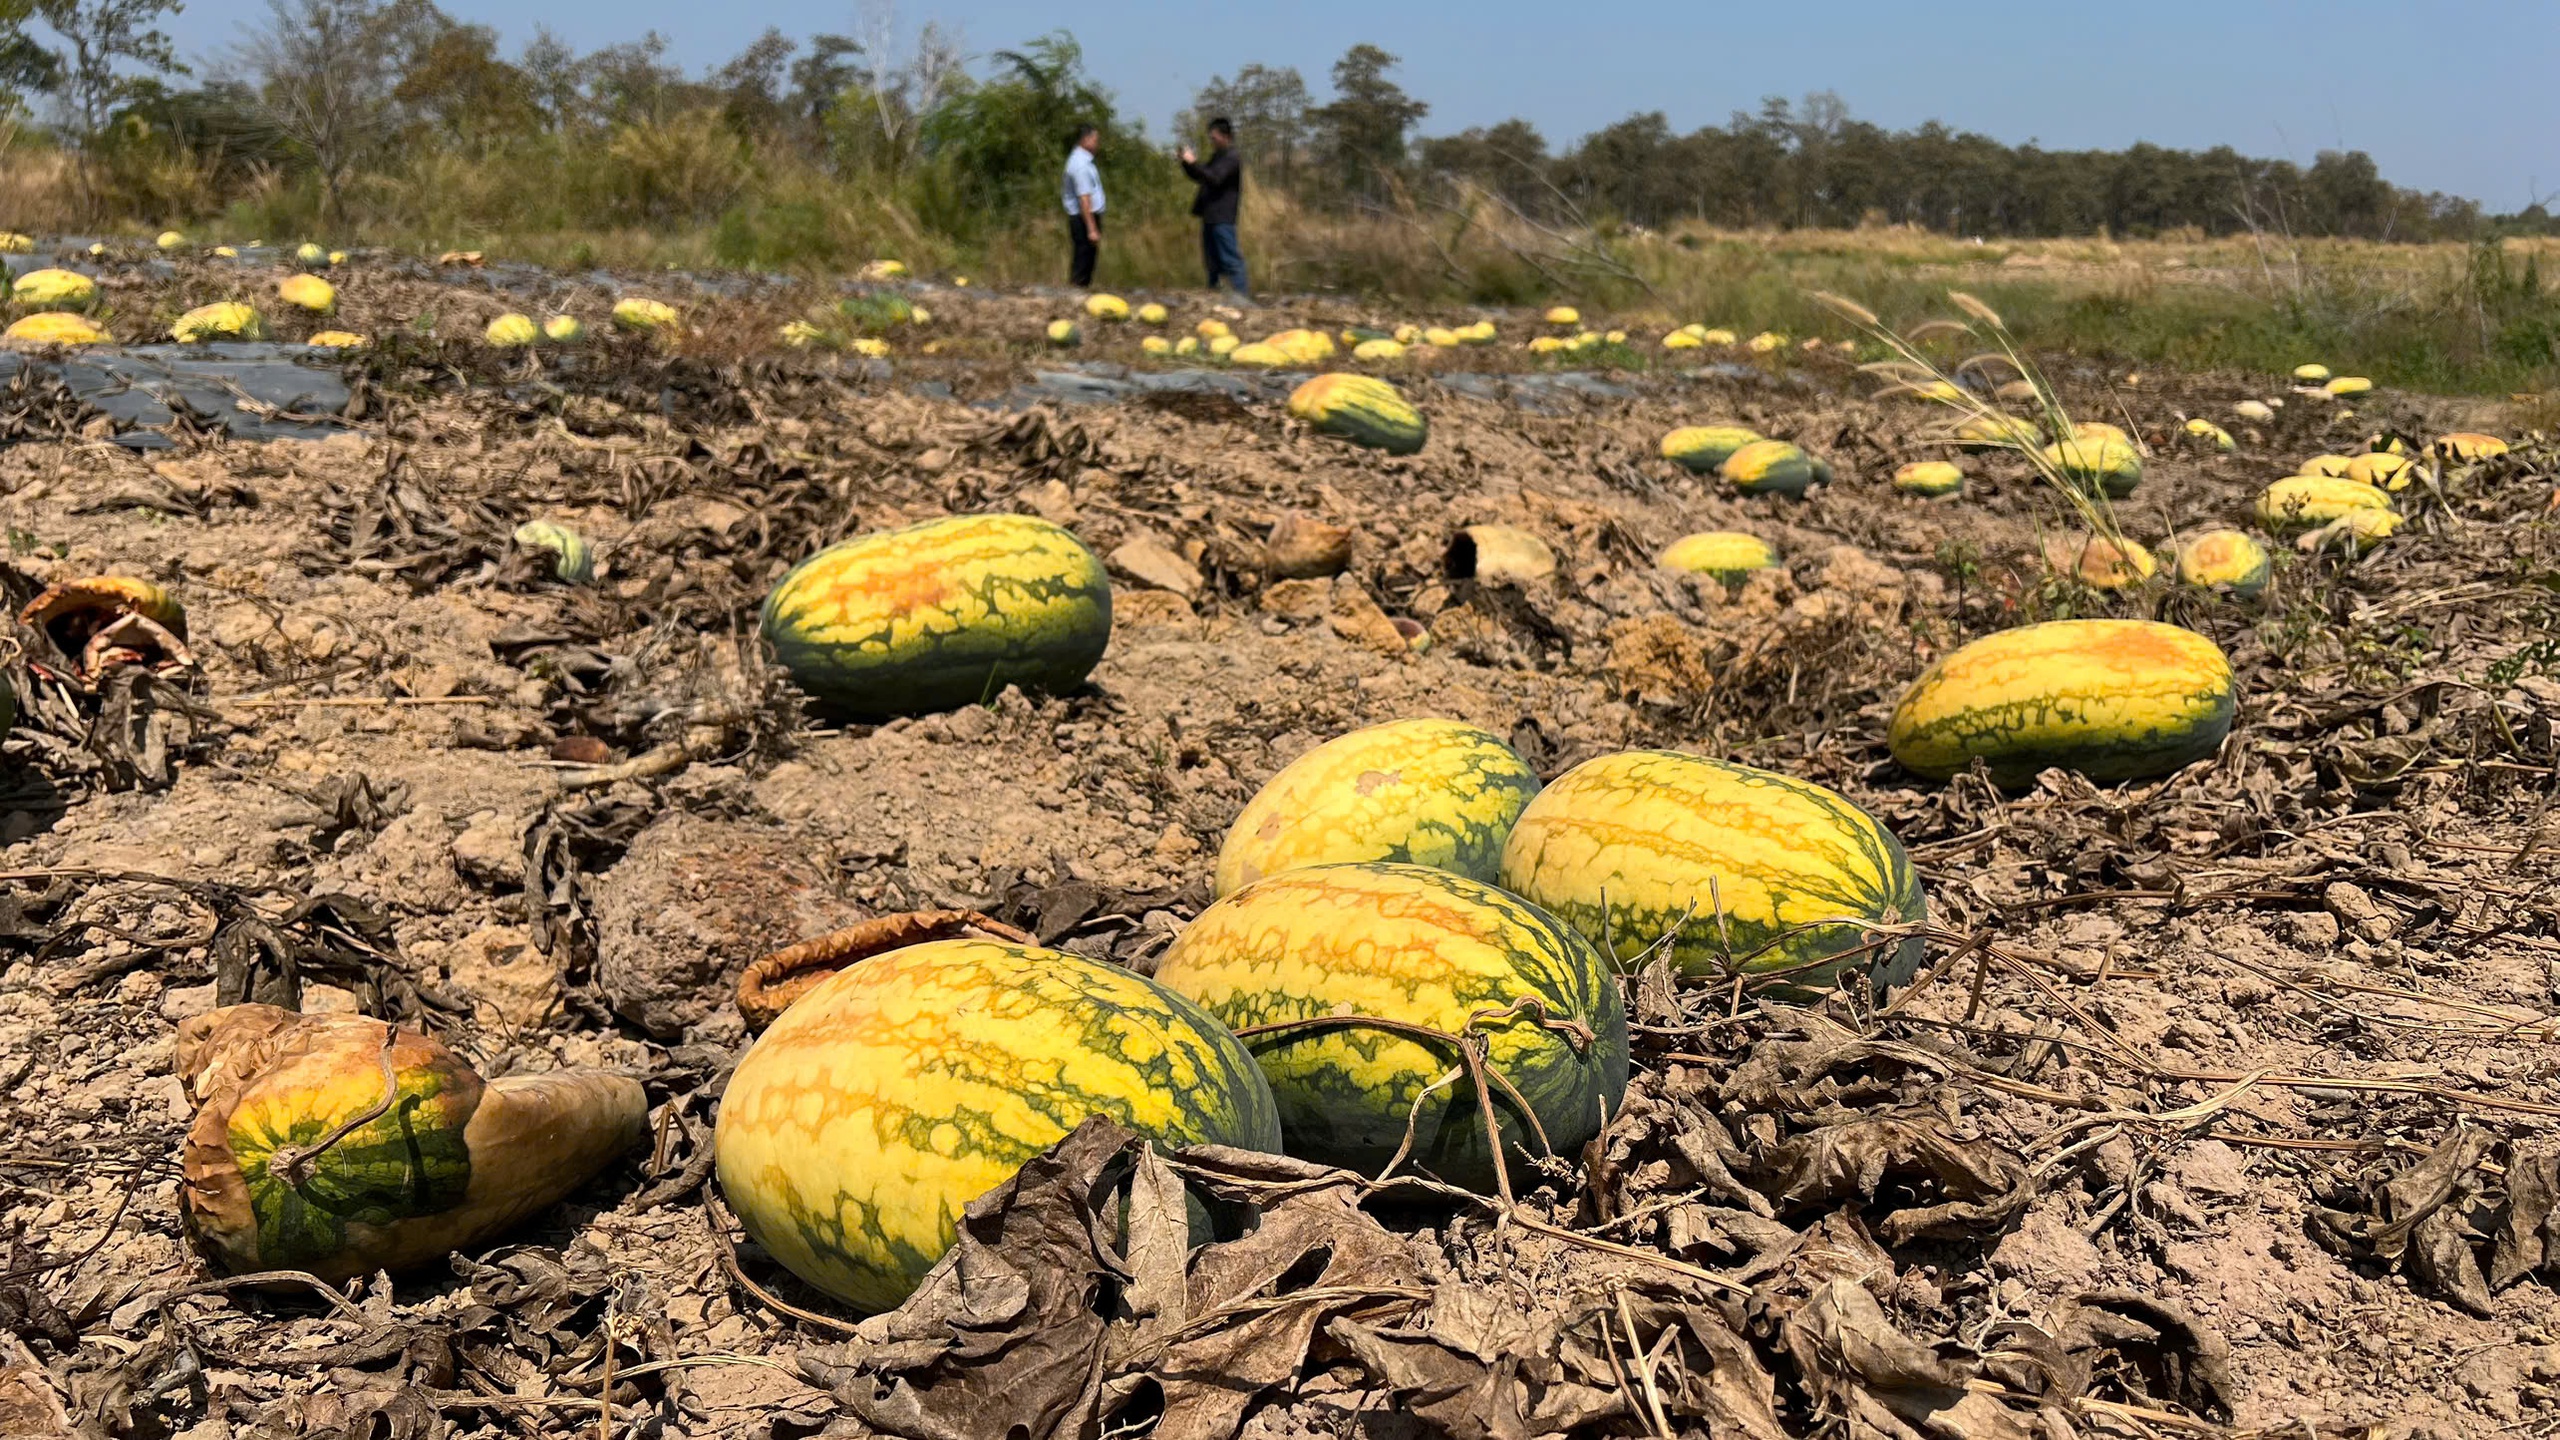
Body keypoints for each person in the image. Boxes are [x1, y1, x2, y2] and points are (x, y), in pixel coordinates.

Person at [1179, 118, 1247, 299]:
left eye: (1215, 138)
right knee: (1212, 261)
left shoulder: (1232, 158)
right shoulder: (1217, 157)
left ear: (1227, 137)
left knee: (1230, 259)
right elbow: (1202, 176)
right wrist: (1187, 164)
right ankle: (1214, 293)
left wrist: (1194, 163)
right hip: (1210, 216)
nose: (1212, 141)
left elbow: (1215, 178)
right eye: (1211, 138)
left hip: (1222, 217)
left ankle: (1242, 296)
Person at [1061, 125, 1104, 288]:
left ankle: (1082, 287)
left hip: (1086, 216)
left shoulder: (1084, 161)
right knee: (1083, 259)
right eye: (1095, 139)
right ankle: (1076, 290)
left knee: (1088, 259)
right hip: (1083, 217)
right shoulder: (1080, 165)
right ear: (1085, 140)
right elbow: (1084, 198)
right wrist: (1092, 228)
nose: (1097, 143)